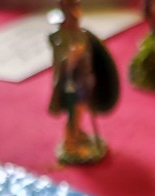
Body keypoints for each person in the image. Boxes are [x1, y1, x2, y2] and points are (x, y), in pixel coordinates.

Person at [48, 0, 119, 165]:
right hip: (71, 84)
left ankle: (77, 133)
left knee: (80, 110)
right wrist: (72, 58)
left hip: (84, 81)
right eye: (72, 10)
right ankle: (70, 143)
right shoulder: (61, 38)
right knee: (74, 112)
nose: (76, 14)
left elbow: (90, 57)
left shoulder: (81, 35)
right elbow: (62, 63)